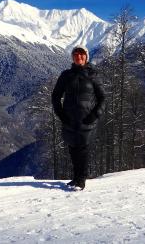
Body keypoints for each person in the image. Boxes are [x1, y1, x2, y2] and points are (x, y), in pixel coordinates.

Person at [51, 45, 105, 190]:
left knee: (83, 150)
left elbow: (102, 98)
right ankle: (76, 178)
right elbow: (56, 96)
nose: (79, 57)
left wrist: (94, 115)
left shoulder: (93, 75)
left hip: (86, 120)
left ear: (86, 57)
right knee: (73, 149)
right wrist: (61, 115)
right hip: (70, 120)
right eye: (76, 54)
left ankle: (81, 180)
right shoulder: (66, 75)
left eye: (81, 54)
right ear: (72, 57)